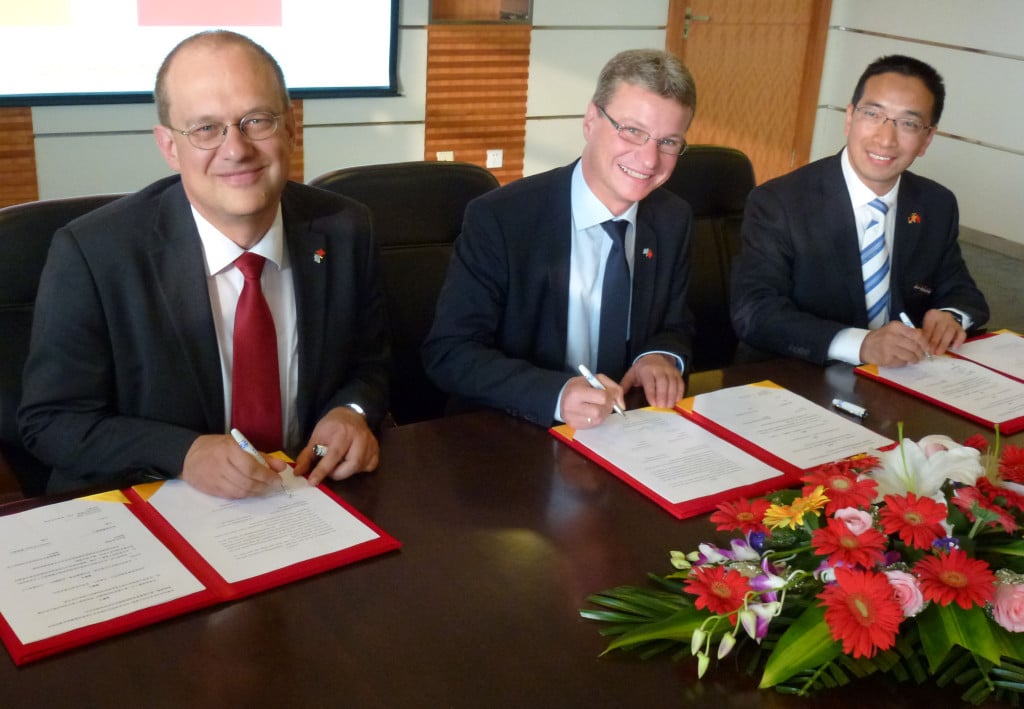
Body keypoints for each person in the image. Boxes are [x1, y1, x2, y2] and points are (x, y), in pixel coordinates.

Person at [18, 30, 390, 497]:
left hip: (307, 502)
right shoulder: (94, 254)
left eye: (256, 120)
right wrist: (184, 453)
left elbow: (370, 366)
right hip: (153, 509)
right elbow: (51, 421)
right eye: (206, 129)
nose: (236, 149)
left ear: (291, 127)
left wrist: (351, 412)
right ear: (170, 147)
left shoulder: (347, 230)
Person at [422, 49, 696, 430]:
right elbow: (450, 352)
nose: (649, 159)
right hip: (516, 435)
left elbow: (675, 322)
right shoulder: (501, 218)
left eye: (668, 142)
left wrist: (659, 356)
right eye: (633, 131)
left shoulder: (672, 217)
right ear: (590, 121)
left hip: (629, 431)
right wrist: (555, 395)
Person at [730, 54, 988, 368]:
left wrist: (950, 315)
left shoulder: (935, 203)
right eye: (872, 114)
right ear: (850, 119)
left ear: (926, 139)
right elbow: (754, 311)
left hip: (903, 377)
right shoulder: (779, 202)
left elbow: (960, 289)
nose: (886, 138)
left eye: (908, 123)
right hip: (800, 376)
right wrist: (860, 344)